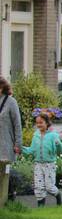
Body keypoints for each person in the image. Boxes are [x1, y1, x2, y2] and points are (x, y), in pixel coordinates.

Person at [25, 112, 62, 207]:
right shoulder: (36, 135)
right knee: (39, 187)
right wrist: (20, 149)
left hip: (49, 164)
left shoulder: (53, 135)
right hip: (38, 164)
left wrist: (58, 144)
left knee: (49, 187)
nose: (39, 125)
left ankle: (59, 195)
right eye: (37, 123)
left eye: (41, 122)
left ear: (47, 123)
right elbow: (31, 150)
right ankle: (41, 208)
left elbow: (60, 150)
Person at [0, 77, 21, 205]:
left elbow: (17, 124)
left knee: (5, 171)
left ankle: (9, 197)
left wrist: (18, 144)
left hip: (5, 143)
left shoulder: (11, 102)